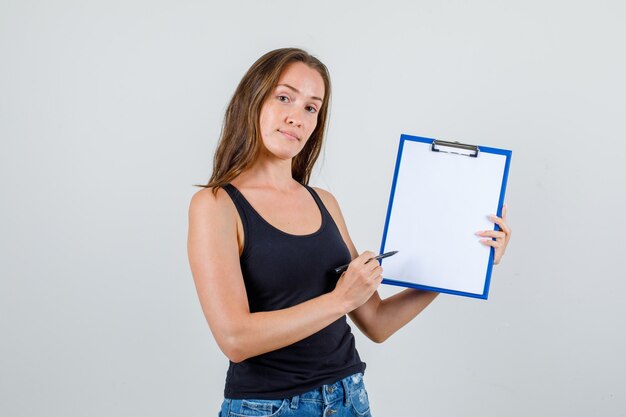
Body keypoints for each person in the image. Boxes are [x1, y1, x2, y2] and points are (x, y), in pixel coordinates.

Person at [187, 48, 511, 417]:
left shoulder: (324, 202)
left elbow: (376, 322)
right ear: (253, 100)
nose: (297, 117)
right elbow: (235, 339)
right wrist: (340, 300)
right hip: (268, 408)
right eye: (284, 97)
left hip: (349, 400)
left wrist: (464, 259)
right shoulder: (216, 205)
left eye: (312, 107)